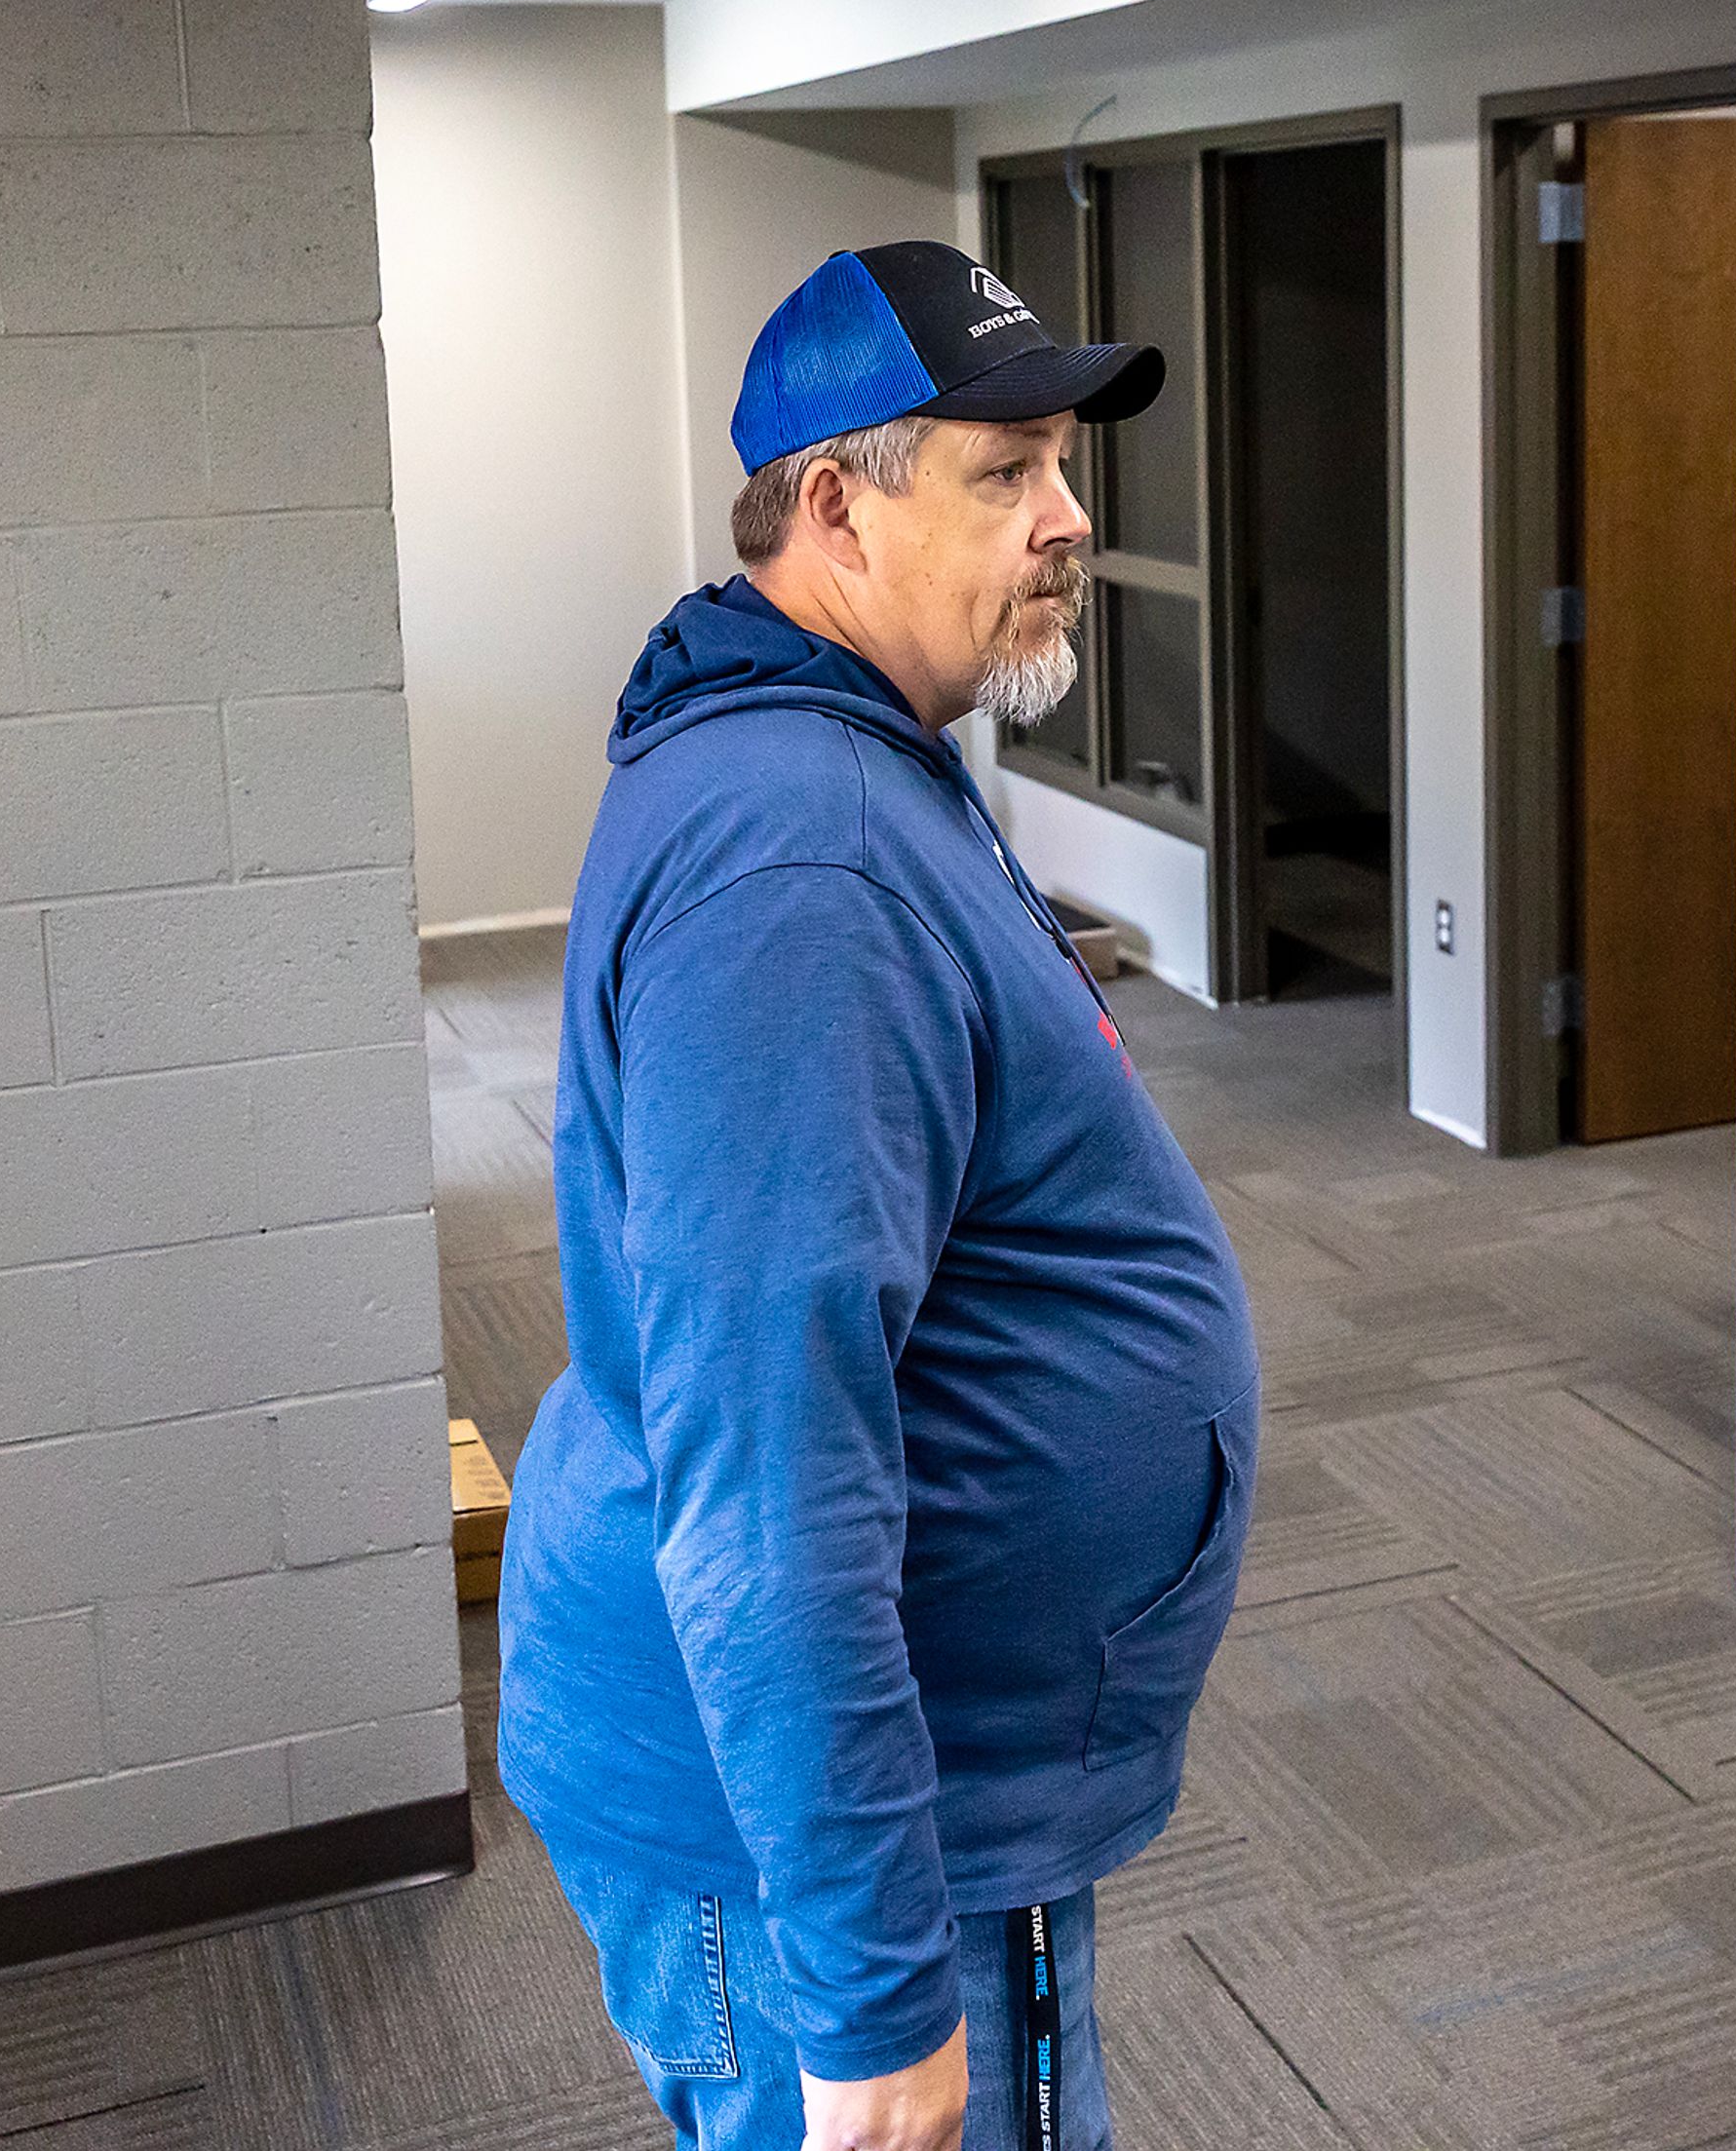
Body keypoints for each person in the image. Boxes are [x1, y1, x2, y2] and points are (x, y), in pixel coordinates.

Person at [497, 242, 1261, 2151]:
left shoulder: (837, 757)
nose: (1069, 517)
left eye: (1062, 464)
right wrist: (870, 1989)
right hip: (827, 1849)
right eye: (1007, 472)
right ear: (833, 505)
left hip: (910, 1778)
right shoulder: (799, 866)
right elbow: (765, 1490)